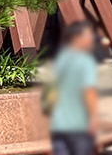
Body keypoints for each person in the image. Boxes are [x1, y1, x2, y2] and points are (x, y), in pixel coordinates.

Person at [46, 21, 101, 155]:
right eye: (88, 35)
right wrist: (94, 118)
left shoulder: (62, 59)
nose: (92, 38)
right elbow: (89, 91)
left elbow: (54, 91)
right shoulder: (85, 61)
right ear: (77, 38)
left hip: (59, 125)